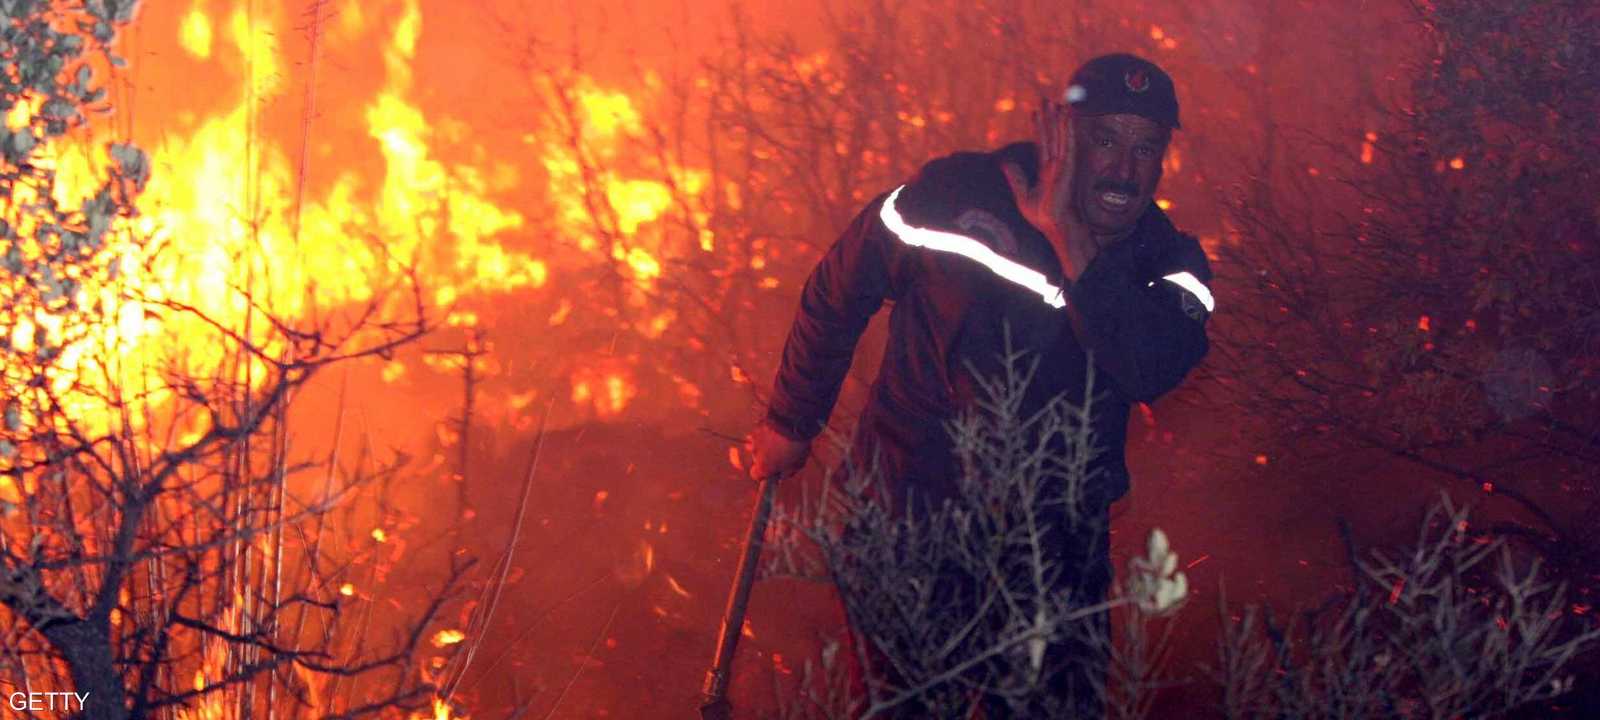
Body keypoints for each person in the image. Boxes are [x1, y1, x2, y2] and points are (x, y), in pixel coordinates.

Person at [746, 53, 1213, 713]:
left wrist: (1068, 237)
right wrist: (790, 423)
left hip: (1056, 550)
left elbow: (1150, 367)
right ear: (1066, 136)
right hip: (909, 518)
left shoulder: (1171, 262)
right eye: (1105, 139)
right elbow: (838, 290)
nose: (1122, 169)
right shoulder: (954, 196)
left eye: (1146, 149)